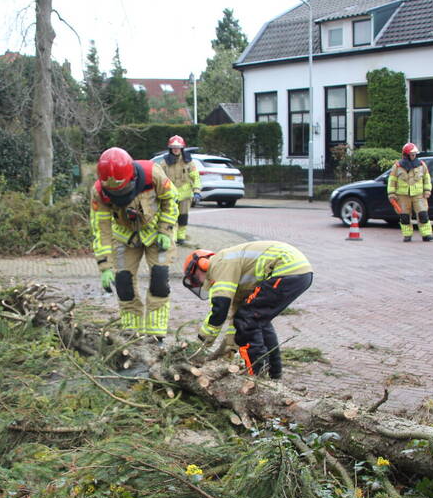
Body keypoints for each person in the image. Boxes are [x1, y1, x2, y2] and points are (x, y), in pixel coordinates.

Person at [181, 241, 313, 379]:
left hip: (286, 270)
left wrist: (202, 343)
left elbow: (220, 309)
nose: (198, 283)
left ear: (201, 265)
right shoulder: (233, 272)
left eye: (195, 278)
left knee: (248, 321)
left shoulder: (219, 264)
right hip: (299, 272)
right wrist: (228, 349)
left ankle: (257, 376)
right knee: (258, 321)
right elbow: (235, 315)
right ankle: (274, 374)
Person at [90, 147, 178, 338]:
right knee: (124, 284)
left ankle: (156, 334)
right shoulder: (99, 193)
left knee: (159, 280)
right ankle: (132, 334)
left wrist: (165, 229)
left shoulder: (152, 174)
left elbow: (171, 200)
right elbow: (101, 229)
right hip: (124, 236)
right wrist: (104, 266)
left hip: (156, 233)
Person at [387, 142, 433, 242]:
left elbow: (427, 178)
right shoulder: (398, 166)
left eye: (415, 154)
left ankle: (426, 234)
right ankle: (407, 235)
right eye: (412, 154)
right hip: (402, 195)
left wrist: (427, 190)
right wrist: (391, 194)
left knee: (423, 214)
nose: (414, 156)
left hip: (419, 195)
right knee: (404, 217)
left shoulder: (421, 165)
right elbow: (392, 181)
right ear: (406, 155)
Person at [160, 135, 201, 244]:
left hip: (185, 195)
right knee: (170, 217)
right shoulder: (165, 162)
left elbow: (195, 176)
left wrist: (196, 191)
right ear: (170, 148)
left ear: (182, 148)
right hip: (170, 195)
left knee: (183, 216)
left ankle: (181, 237)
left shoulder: (188, 162)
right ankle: (171, 237)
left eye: (178, 147)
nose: (176, 149)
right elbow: (159, 178)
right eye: (173, 147)